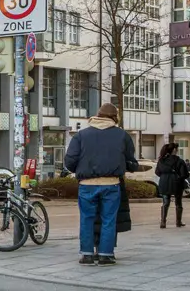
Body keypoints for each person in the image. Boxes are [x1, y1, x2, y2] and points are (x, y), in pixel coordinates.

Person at [64, 103, 138, 266]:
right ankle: (106, 254)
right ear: (115, 117)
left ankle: (87, 254)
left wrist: (81, 169)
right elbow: (131, 161)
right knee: (108, 219)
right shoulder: (122, 135)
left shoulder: (81, 135)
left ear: (97, 115)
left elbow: (70, 161)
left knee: (87, 219)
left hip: (86, 184)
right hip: (112, 184)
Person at [155, 143, 189, 228]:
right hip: (176, 183)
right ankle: (178, 222)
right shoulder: (179, 161)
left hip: (164, 182)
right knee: (178, 203)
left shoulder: (161, 160)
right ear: (174, 150)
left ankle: (163, 222)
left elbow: (157, 172)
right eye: (177, 149)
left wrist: (165, 176)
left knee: (165, 202)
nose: (177, 151)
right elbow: (184, 174)